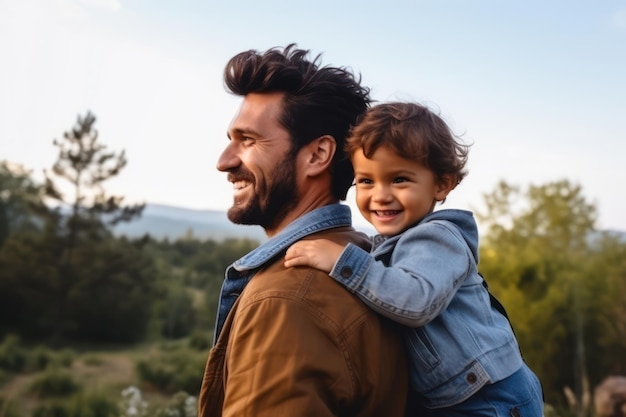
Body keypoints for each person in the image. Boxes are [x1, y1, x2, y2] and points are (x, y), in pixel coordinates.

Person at [285, 101, 544, 416]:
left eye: (399, 180)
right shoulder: (399, 241)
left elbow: (414, 299)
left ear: (442, 184)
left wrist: (344, 262)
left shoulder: (438, 238)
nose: (380, 194)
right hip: (459, 395)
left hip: (489, 399)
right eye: (366, 181)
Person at [198, 44, 409, 417]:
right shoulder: (366, 257)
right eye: (231, 139)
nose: (224, 161)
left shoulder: (285, 299)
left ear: (317, 155)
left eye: (248, 140)